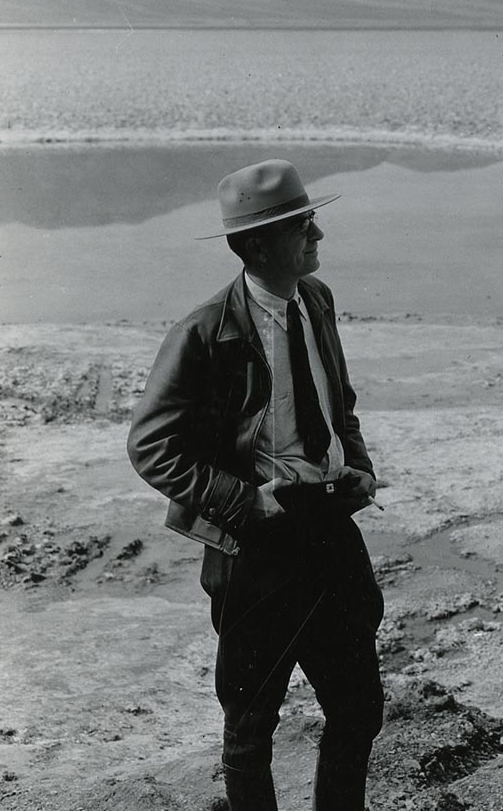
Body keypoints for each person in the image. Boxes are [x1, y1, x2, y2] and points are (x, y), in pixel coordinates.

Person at [127, 159, 384, 811]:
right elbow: (150, 445)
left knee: (359, 711)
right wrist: (242, 500)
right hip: (258, 547)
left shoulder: (316, 300)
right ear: (260, 244)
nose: (318, 234)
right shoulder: (204, 332)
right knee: (251, 729)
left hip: (331, 530)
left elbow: (339, 404)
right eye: (303, 225)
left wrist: (357, 466)